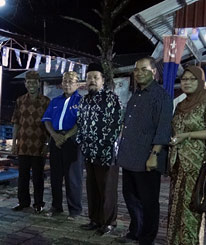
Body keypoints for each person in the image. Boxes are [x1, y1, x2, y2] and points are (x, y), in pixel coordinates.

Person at [116, 57, 173, 244]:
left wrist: (154, 155)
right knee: (130, 196)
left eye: (144, 69)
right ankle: (136, 229)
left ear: (154, 72)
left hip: (147, 157)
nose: (139, 73)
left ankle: (148, 236)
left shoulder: (161, 96)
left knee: (148, 201)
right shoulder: (136, 94)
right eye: (136, 69)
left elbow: (163, 128)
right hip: (129, 155)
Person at [167, 66, 206, 245]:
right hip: (178, 163)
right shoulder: (181, 104)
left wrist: (186, 135)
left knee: (193, 206)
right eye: (184, 79)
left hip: (198, 164)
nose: (187, 82)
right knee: (176, 204)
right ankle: (174, 241)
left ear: (200, 81)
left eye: (192, 79)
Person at [76, 63, 122, 235]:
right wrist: (82, 142)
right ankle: (94, 220)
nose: (92, 80)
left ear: (103, 80)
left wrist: (105, 145)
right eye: (89, 78)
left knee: (107, 189)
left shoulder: (112, 98)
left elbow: (116, 125)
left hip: (106, 153)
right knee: (92, 188)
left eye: (96, 77)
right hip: (88, 152)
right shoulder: (84, 100)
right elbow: (80, 123)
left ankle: (109, 222)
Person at [41, 71, 83, 219]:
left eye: (71, 81)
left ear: (78, 84)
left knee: (73, 177)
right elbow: (46, 120)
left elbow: (81, 123)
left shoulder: (81, 101)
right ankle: (56, 206)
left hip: (72, 141)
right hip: (55, 140)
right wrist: (54, 136)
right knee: (56, 176)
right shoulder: (55, 101)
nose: (67, 84)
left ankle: (75, 210)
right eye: (65, 81)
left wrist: (65, 137)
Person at [11, 70, 50, 213]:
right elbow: (16, 123)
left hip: (39, 144)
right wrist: (14, 143)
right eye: (29, 82)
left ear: (38, 84)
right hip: (23, 144)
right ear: (25, 84)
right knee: (23, 176)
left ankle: (39, 203)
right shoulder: (20, 100)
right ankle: (23, 202)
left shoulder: (46, 101)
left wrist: (47, 144)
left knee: (38, 177)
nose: (31, 85)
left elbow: (49, 124)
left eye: (34, 82)